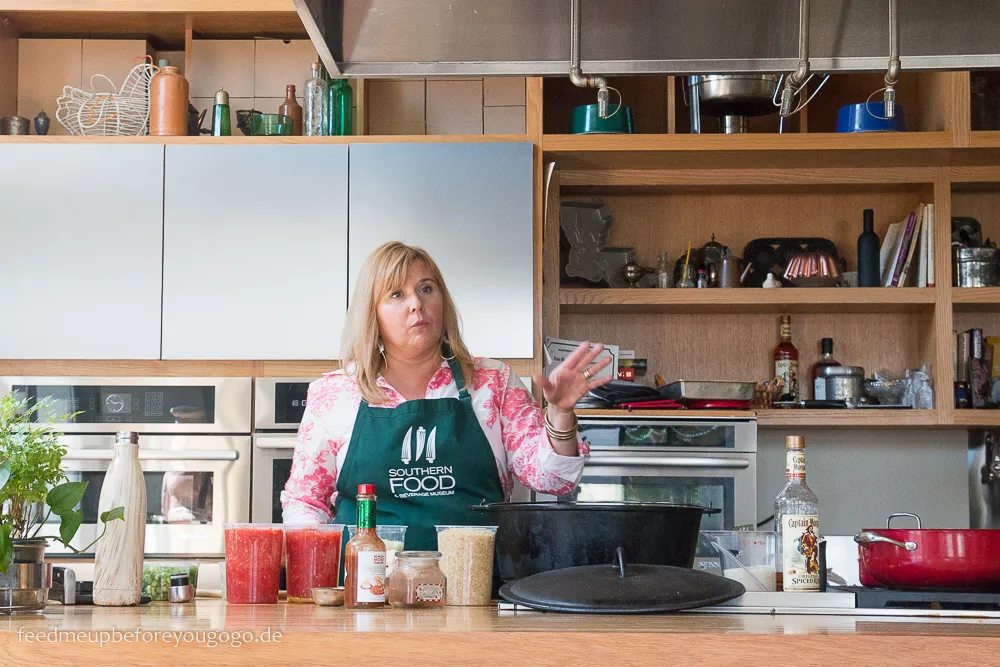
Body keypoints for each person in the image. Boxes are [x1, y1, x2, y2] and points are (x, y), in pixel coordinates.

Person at [281, 241, 612, 549]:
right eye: (397, 294)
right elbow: (305, 502)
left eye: (426, 288)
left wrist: (561, 413)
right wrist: (319, 565)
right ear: (373, 314)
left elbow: (554, 480)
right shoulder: (335, 393)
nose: (417, 304)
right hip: (367, 592)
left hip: (475, 590)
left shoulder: (493, 382)